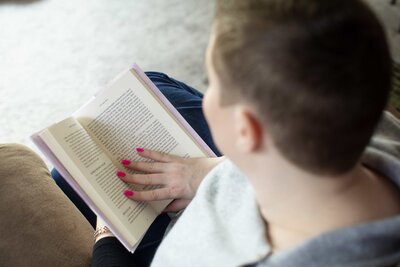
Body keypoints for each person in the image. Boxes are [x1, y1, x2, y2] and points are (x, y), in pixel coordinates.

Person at [61, 0, 400, 266]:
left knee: (63, 179)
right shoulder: (380, 129)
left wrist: (107, 235)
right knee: (149, 84)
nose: (207, 95)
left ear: (245, 129)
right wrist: (208, 172)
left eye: (212, 85)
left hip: (162, 236)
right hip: (225, 178)